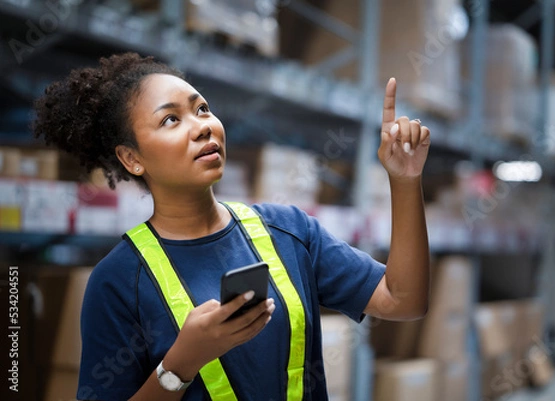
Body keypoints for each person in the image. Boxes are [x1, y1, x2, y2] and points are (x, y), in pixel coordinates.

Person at [33, 53, 431, 401]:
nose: (202, 126)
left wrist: (405, 180)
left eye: (202, 108)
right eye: (171, 119)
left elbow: (404, 300)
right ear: (132, 158)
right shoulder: (118, 281)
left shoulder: (290, 232)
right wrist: (181, 364)